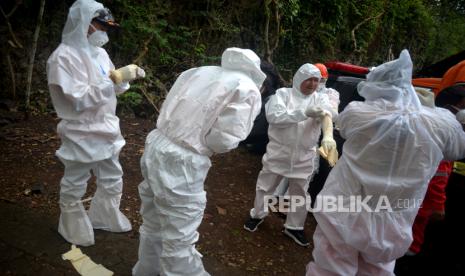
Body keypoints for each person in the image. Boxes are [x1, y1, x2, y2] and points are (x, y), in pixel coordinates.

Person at [306, 50, 465, 275]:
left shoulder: (359, 113)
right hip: (392, 221)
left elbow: (344, 125)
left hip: (345, 208)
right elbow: (458, 148)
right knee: (377, 270)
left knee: (331, 267)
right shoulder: (440, 124)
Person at [132, 47, 266, 276]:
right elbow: (223, 139)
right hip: (184, 160)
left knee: (153, 216)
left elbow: (170, 103)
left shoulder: (197, 71)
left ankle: (146, 269)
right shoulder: (247, 88)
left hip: (156, 143)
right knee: (179, 233)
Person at [47, 0, 145, 246]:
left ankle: (104, 215)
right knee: (77, 177)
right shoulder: (62, 58)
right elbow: (78, 99)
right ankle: (71, 222)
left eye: (106, 27)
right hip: (80, 130)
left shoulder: (100, 53)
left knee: (112, 174)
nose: (105, 32)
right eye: (101, 26)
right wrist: (114, 81)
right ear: (85, 24)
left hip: (107, 126)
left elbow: (115, 86)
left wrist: (124, 77)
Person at [243, 63, 337, 247]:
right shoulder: (282, 95)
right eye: (308, 79)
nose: (312, 84)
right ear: (299, 79)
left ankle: (294, 226)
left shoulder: (320, 99)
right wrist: (303, 113)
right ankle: (258, 214)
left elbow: (327, 116)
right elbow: (275, 117)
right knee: (265, 187)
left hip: (304, 155)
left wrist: (328, 136)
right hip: (279, 152)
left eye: (316, 80)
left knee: (300, 193)